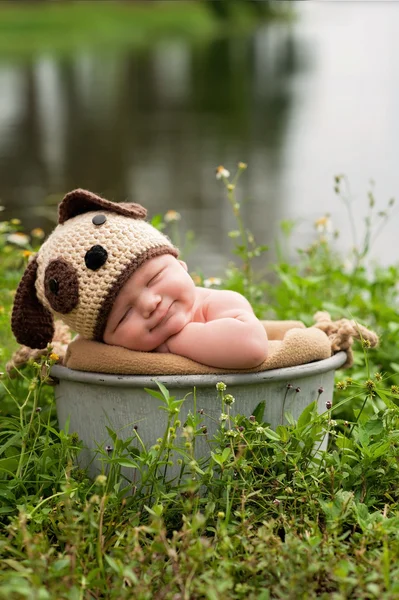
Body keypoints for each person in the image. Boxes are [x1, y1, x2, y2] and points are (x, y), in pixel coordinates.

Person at [11, 189, 268, 370]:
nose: (149, 304)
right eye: (124, 316)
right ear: (104, 341)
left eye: (154, 278)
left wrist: (172, 343)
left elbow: (252, 346)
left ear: (180, 265)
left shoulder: (216, 304)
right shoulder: (114, 353)